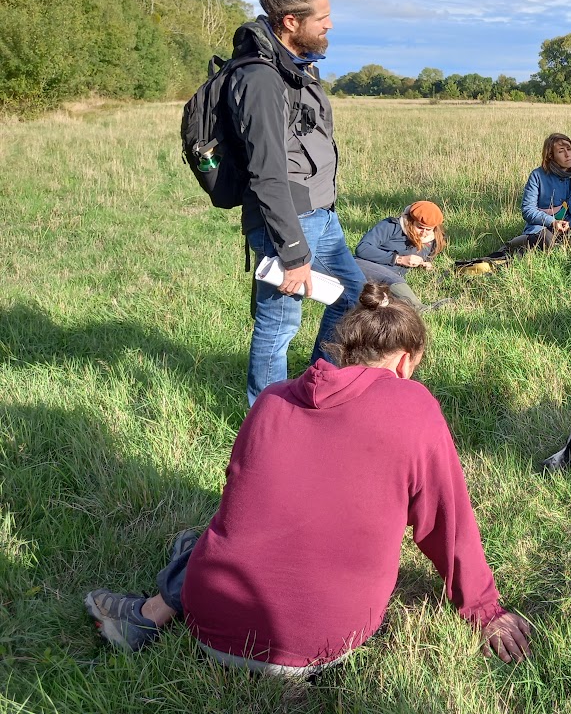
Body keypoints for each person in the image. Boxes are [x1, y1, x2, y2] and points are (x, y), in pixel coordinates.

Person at [84, 283, 532, 671]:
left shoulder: (272, 400)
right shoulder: (414, 406)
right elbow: (447, 523)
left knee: (211, 537)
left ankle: (151, 608)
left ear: (346, 351)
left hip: (210, 620)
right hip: (326, 640)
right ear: (405, 362)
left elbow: (240, 503)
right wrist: (484, 608)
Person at [231, 0, 365, 406]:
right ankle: (266, 419)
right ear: (291, 22)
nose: (329, 29)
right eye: (322, 23)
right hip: (287, 221)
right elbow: (267, 173)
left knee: (349, 296)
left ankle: (311, 391)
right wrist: (292, 253)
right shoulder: (261, 79)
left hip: (320, 214)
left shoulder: (297, 66)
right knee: (278, 325)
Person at [497, 132, 571, 254]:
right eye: (561, 151)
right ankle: (512, 247)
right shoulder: (537, 176)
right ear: (550, 156)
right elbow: (528, 210)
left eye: (569, 149)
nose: (567, 154)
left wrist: (569, 224)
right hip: (541, 227)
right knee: (547, 240)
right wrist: (552, 222)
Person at [355, 201, 447, 311]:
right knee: (391, 279)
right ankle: (419, 308)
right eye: (420, 227)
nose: (424, 233)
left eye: (429, 229)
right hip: (362, 265)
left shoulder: (432, 240)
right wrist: (399, 259)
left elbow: (425, 258)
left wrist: (424, 264)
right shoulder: (390, 226)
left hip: (386, 281)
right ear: (410, 221)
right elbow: (362, 249)